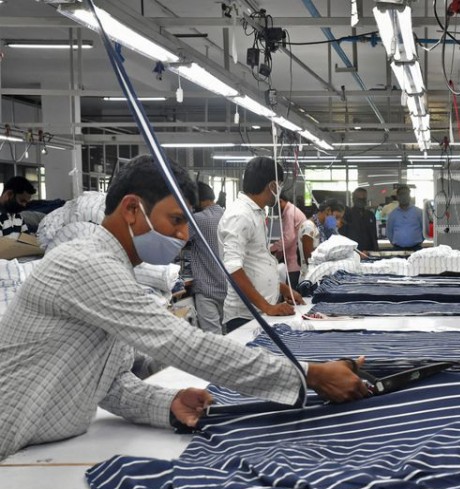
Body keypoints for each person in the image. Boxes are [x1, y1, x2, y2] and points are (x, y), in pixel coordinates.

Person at [0, 155, 370, 461]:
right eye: (176, 220)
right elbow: (182, 343)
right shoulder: (85, 264)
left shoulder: (116, 272)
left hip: (39, 456)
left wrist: (166, 404)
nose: (184, 236)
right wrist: (309, 376)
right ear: (132, 209)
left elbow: (107, 383)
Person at [219, 157, 304, 334]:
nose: (280, 191)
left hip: (260, 312)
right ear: (272, 186)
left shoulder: (255, 213)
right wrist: (267, 307)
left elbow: (257, 260)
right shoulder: (240, 215)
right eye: (280, 185)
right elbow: (233, 268)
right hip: (246, 316)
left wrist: (284, 288)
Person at [187, 182, 228, 334]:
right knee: (228, 338)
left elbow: (177, 240)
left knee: (213, 339)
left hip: (207, 290)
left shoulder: (198, 219)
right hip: (228, 289)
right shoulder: (227, 215)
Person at [269, 192, 307, 288]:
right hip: (296, 259)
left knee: (291, 290)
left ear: (280, 201)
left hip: (294, 262)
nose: (275, 209)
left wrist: (272, 248)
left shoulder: (289, 213)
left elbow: (288, 238)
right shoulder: (291, 210)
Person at [298, 201, 335, 274]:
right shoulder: (308, 227)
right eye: (336, 217)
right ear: (328, 211)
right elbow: (309, 259)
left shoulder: (320, 228)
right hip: (310, 277)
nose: (337, 222)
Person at [386, 185, 424, 250]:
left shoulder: (419, 212)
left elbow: (425, 230)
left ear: (409, 196)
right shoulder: (393, 214)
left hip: (416, 248)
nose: (404, 197)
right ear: (397, 197)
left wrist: (419, 242)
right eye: (401, 194)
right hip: (398, 249)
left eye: (406, 194)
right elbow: (389, 233)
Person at [340, 188, 378, 252]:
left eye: (363, 199)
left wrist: (376, 249)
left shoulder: (370, 215)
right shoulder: (347, 214)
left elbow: (374, 235)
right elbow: (343, 235)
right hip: (353, 251)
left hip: (369, 251)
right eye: (359, 199)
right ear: (353, 199)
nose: (361, 201)